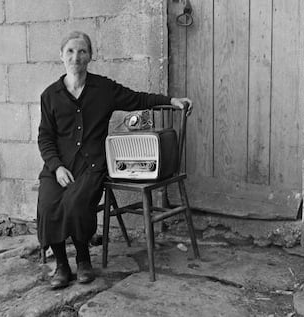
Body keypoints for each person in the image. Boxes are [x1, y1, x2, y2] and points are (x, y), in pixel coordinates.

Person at [37, 30, 192, 289]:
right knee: (48, 203)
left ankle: (84, 260)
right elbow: (45, 138)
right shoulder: (50, 95)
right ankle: (62, 265)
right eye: (71, 51)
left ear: (90, 56)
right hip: (59, 166)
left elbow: (138, 98)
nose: (76, 57)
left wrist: (170, 100)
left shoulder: (103, 89)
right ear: (61, 56)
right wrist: (57, 167)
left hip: (92, 165)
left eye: (82, 51)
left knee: (76, 202)